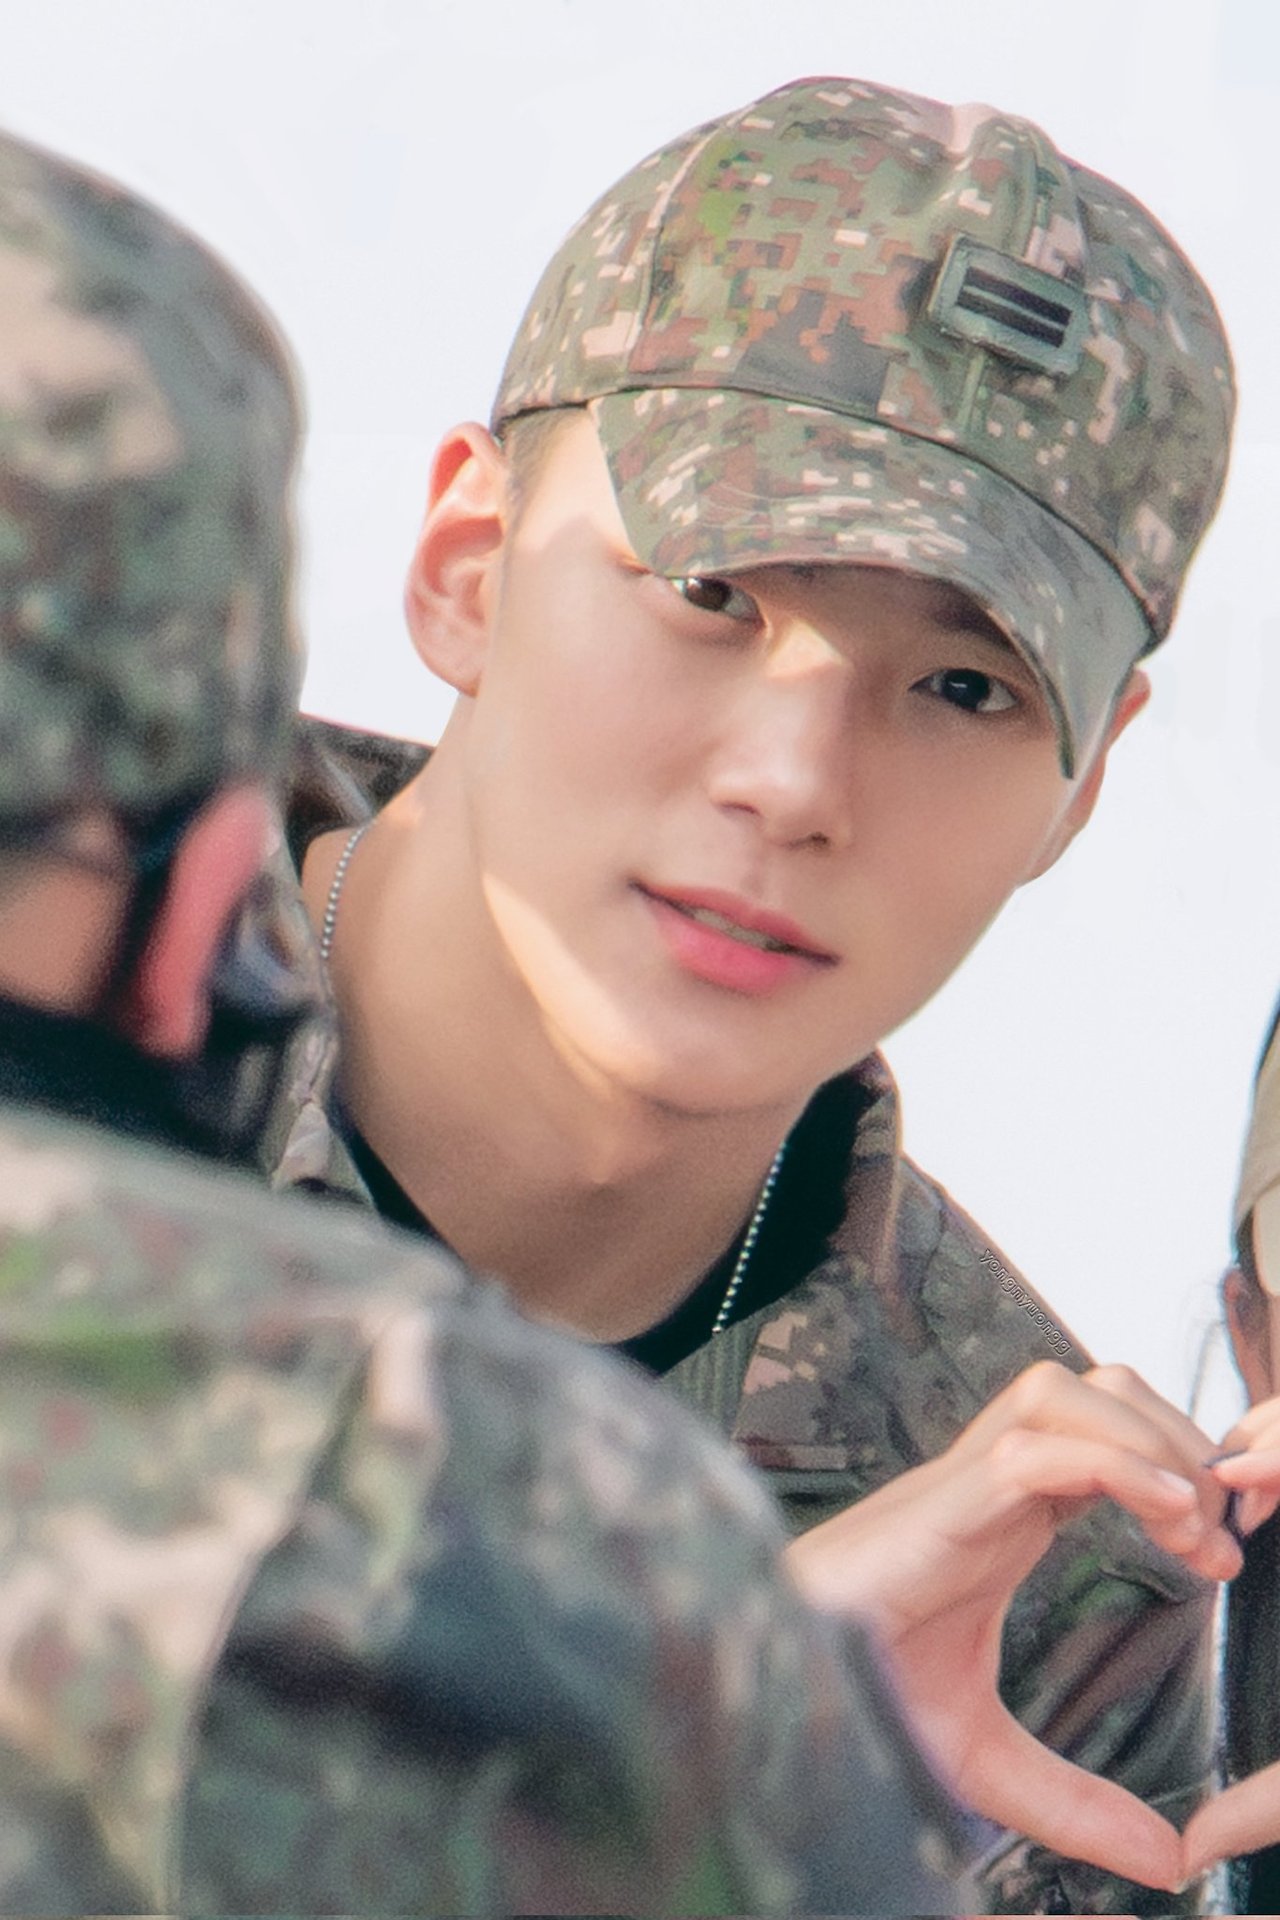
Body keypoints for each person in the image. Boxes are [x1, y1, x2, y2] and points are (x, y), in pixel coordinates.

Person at [3, 114, 1240, 1918]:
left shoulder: (1041, 1587)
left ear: (1083, 789)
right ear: (468, 563)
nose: (793, 782)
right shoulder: (51, 1026)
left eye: (966, 685)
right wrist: (687, 1751)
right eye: (707, 593)